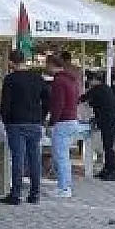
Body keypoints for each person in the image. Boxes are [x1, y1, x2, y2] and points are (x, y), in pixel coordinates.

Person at [0, 50, 48, 205]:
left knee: (18, 158)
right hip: (34, 122)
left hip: (16, 123)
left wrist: (5, 119)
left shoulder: (10, 79)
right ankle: (34, 194)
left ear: (11, 62)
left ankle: (16, 194)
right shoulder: (37, 78)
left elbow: (5, 103)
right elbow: (47, 98)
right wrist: (41, 115)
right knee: (34, 158)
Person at [46, 54, 81, 199]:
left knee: (60, 157)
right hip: (72, 119)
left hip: (62, 121)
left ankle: (63, 188)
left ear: (52, 64)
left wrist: (52, 122)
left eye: (46, 64)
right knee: (64, 156)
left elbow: (58, 104)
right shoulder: (71, 79)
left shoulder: (58, 81)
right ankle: (65, 185)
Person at [81, 71, 115, 181]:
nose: (88, 83)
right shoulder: (105, 88)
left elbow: (83, 98)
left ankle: (113, 171)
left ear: (94, 80)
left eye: (89, 81)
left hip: (110, 121)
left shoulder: (97, 89)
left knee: (108, 147)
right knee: (107, 146)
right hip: (113, 119)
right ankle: (107, 169)